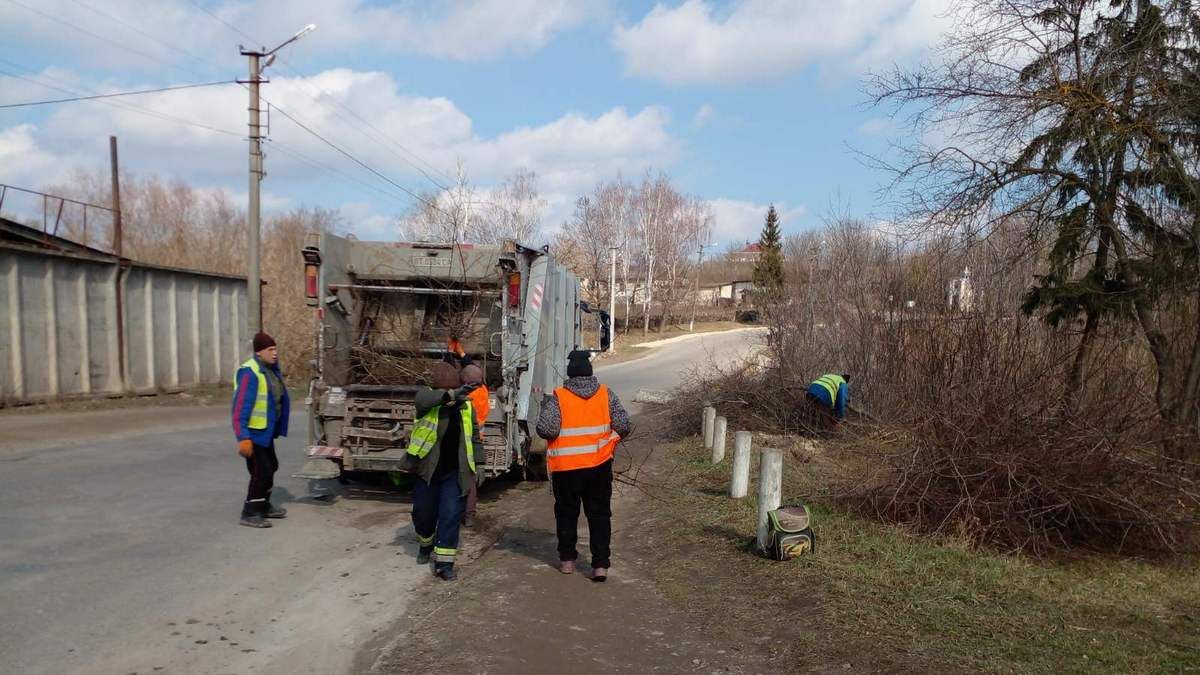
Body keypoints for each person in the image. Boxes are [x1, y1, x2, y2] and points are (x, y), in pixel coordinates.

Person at [536, 350, 631, 582]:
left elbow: (546, 430)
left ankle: (567, 561)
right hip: (598, 467)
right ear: (590, 373)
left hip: (566, 469)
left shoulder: (559, 397)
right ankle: (600, 565)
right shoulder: (606, 394)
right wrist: (611, 440)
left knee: (567, 514)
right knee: (599, 515)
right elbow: (624, 424)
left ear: (570, 374)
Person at [408, 362, 483, 581]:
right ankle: (425, 544)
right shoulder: (426, 398)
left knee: (450, 515)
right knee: (423, 513)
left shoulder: (467, 407)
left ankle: (444, 564)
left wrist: (480, 464)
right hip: (427, 470)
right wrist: (448, 396)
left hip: (455, 472)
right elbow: (424, 400)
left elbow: (475, 438)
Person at [232, 332, 290, 528]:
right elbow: (240, 408)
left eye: (275, 349)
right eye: (270, 350)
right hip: (253, 434)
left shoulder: (270, 369)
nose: (275, 353)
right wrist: (243, 438)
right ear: (259, 352)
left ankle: (263, 505)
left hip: (265, 432)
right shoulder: (250, 372)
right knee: (261, 471)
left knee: (271, 466)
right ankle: (249, 512)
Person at [460, 361, 489, 527]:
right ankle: (469, 515)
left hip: (467, 443)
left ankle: (464, 514)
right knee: (470, 481)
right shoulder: (483, 390)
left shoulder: (467, 398)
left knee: (462, 481)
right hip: (474, 442)